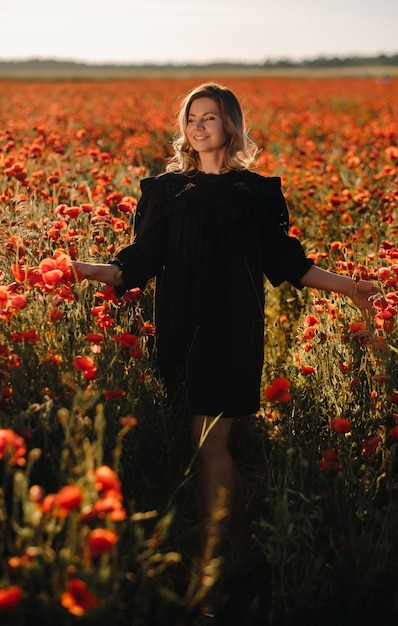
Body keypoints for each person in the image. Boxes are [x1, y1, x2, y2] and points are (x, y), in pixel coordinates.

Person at [72, 82, 376, 623]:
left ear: (230, 126)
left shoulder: (254, 193)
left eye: (210, 117)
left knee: (206, 439)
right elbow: (140, 260)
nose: (199, 126)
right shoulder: (165, 192)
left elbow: (288, 262)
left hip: (233, 328)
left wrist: (350, 287)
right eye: (193, 118)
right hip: (180, 327)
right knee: (208, 445)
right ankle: (243, 559)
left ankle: (210, 578)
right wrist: (92, 270)